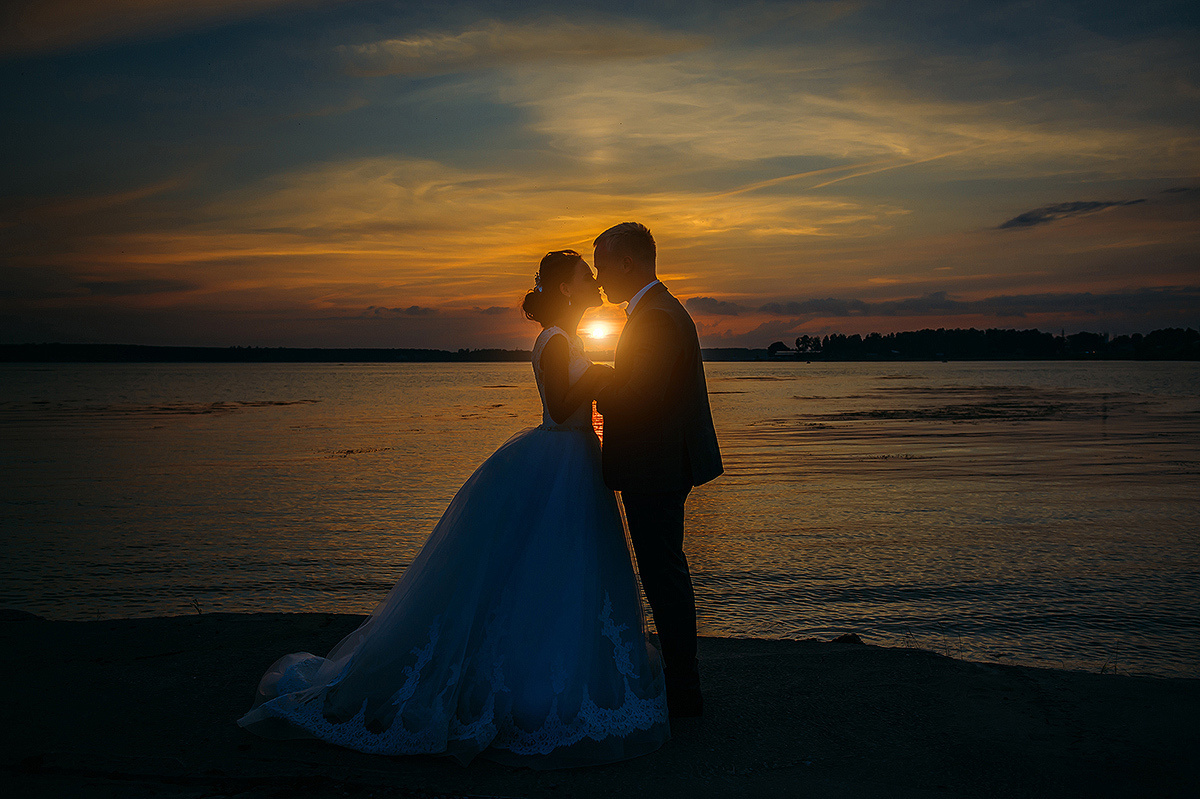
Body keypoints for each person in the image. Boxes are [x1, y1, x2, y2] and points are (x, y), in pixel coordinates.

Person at [237, 250, 669, 768]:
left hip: (575, 459)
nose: (595, 283)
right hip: (557, 457)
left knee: (564, 571)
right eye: (585, 277)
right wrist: (601, 374)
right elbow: (558, 406)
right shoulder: (556, 341)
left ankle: (561, 663)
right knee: (539, 565)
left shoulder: (573, 339)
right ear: (567, 290)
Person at [592, 222, 723, 718]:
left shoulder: (656, 318)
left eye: (604, 264)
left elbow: (640, 397)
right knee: (664, 569)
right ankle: (682, 684)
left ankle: (684, 691)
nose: (601, 275)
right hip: (661, 461)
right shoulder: (655, 311)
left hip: (658, 465)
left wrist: (589, 383)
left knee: (663, 573)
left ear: (629, 262)